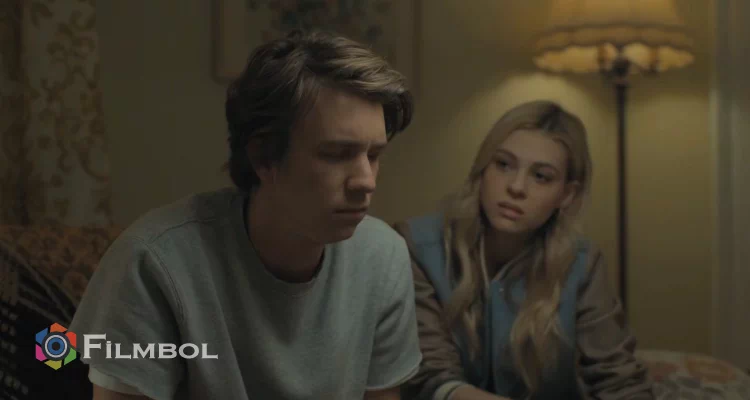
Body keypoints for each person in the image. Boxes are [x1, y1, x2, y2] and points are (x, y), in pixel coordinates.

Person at [69, 30, 422, 400]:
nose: (366, 181)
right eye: (335, 154)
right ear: (263, 158)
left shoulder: (383, 256)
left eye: (374, 155)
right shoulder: (153, 261)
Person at [394, 101, 653, 400]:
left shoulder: (582, 264)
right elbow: (430, 374)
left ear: (567, 195)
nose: (516, 187)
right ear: (483, 168)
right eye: (503, 164)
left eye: (541, 176)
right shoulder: (415, 246)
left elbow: (619, 378)